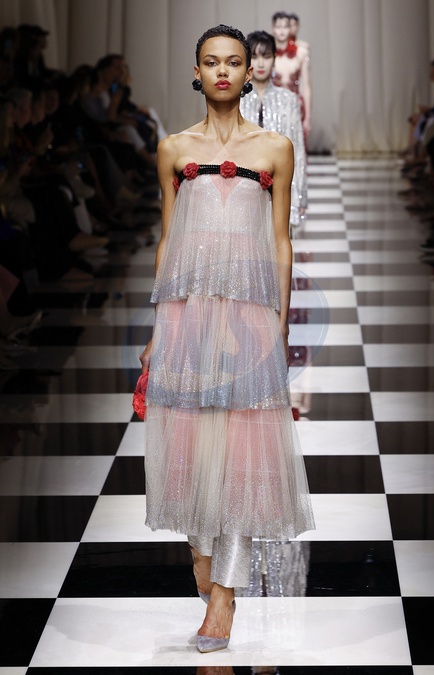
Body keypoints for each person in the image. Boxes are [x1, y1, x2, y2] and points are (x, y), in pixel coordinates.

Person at [139, 24, 314, 653]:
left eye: (233, 62)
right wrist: (157, 328)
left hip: (247, 318)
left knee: (241, 451)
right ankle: (204, 556)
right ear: (197, 71)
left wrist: (280, 324)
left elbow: (281, 242)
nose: (222, 71)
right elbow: (167, 240)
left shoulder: (274, 149)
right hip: (187, 316)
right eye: (211, 61)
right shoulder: (172, 148)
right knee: (189, 446)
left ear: (247, 72)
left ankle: (224, 597)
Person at [240, 30, 307, 226]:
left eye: (266, 56)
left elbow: (297, 149)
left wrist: (300, 195)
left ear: (274, 60)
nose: (261, 63)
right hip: (243, 188)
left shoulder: (289, 100)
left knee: (280, 240)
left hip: (281, 186)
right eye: (255, 56)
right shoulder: (237, 99)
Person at [272, 11, 311, 139]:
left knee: (295, 145)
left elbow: (306, 86)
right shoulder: (268, 54)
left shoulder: (301, 53)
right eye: (278, 27)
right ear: (273, 29)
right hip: (273, 108)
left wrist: (308, 118)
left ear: (291, 29)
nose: (282, 31)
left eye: (285, 27)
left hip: (295, 107)